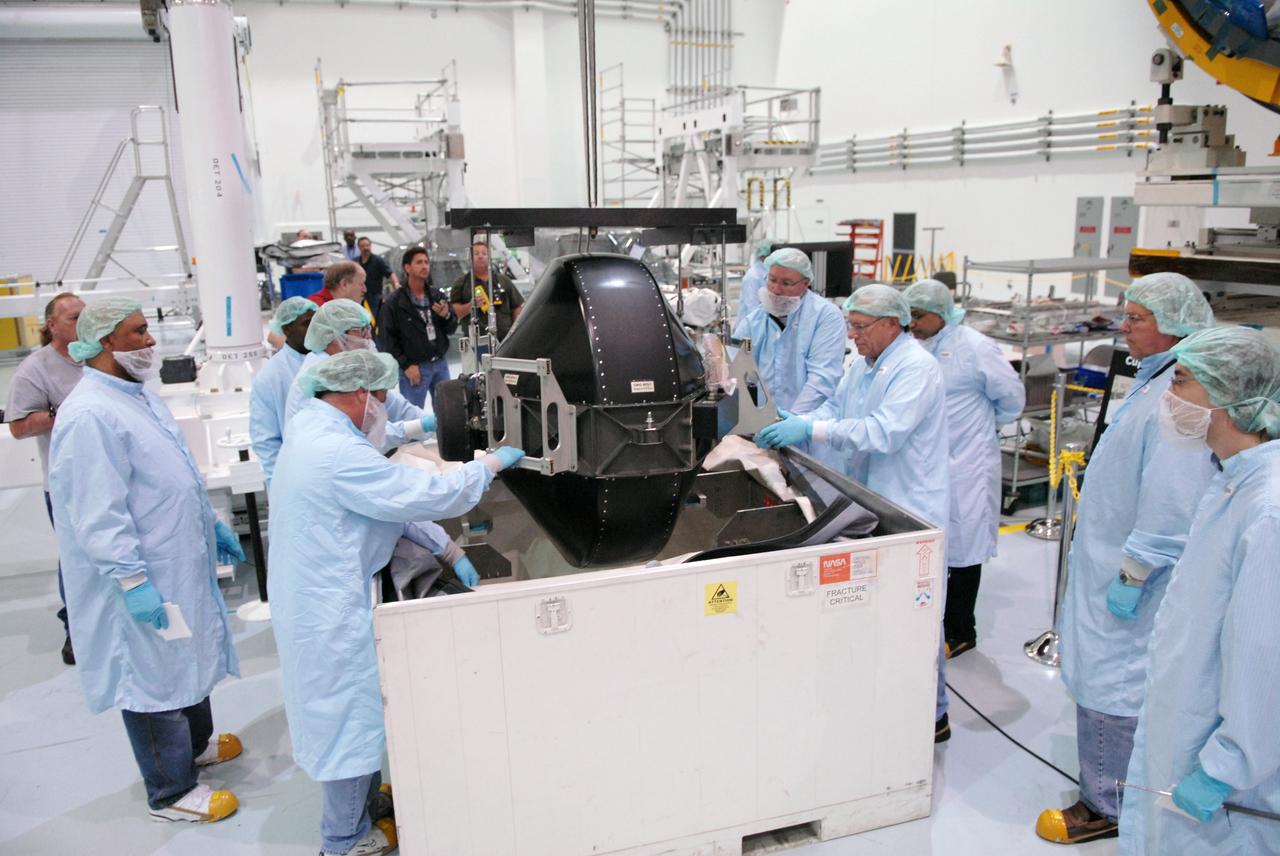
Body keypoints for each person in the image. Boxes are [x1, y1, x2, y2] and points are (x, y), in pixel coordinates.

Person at [269, 348, 524, 856]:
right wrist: (488, 465)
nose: (386, 406)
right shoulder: (335, 453)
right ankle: (342, 840)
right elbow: (421, 493)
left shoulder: (314, 427)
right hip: (329, 605)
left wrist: (445, 546)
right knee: (347, 716)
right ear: (360, 394)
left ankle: (361, 807)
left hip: (320, 588)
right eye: (383, 395)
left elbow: (382, 494)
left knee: (353, 711)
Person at [48, 297, 245, 823]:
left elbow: (173, 471)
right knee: (151, 676)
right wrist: (132, 579)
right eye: (138, 333)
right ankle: (170, 790)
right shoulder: (90, 414)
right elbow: (97, 512)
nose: (151, 341)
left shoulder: (136, 396)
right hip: (141, 570)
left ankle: (196, 747)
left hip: (176, 556)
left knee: (185, 656)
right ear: (105, 341)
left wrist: (210, 522)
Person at [1039, 272, 1217, 845]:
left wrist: (1135, 570)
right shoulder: (1157, 377)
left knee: (1114, 679)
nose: (1125, 328)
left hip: (1133, 569)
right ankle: (1110, 787)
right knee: (1105, 671)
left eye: (1136, 319)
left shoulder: (1180, 396)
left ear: (1174, 327)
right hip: (1110, 553)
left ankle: (1109, 803)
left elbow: (1171, 500)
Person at [754, 283, 951, 742]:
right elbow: (834, 406)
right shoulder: (863, 365)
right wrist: (794, 416)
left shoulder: (915, 368)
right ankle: (884, 701)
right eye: (850, 326)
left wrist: (813, 428)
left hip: (911, 504)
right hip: (873, 499)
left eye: (860, 327)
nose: (853, 335)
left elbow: (883, 433)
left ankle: (932, 715)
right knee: (885, 613)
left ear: (890, 324)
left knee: (918, 616)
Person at [1118, 326, 1280, 855]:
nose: (1168, 397)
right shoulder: (1233, 478)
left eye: (1181, 381)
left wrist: (1226, 765)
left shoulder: (1268, 510)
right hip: (1192, 721)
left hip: (1229, 771)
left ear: (1230, 397)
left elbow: (1264, 656)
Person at [903, 279, 1025, 658]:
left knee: (966, 545)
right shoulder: (916, 346)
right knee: (931, 542)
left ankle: (961, 630)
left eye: (918, 316)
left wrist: (981, 427)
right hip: (929, 460)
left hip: (969, 461)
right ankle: (928, 621)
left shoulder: (974, 347)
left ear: (940, 315)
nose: (912, 323)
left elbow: (1011, 398)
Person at [5, 292, 85, 665]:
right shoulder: (36, 369)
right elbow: (19, 427)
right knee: (75, 556)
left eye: (85, 315)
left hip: (114, 475)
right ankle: (76, 628)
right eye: (72, 318)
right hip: (68, 482)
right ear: (52, 325)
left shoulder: (99, 355)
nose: (81, 322)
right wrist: (64, 413)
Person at [282, 299, 433, 454]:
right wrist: (416, 427)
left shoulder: (348, 366)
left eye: (368, 328)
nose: (369, 337)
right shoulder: (323, 376)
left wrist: (434, 423)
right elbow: (364, 436)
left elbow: (393, 405)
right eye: (361, 330)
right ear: (336, 335)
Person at [731, 247, 846, 414]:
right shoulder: (754, 320)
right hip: (763, 421)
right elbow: (736, 368)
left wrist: (791, 421)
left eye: (786, 283)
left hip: (808, 424)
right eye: (772, 280)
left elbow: (822, 379)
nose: (776, 290)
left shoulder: (825, 316)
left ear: (805, 284)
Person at [249, 297, 317, 486]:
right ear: (286, 329)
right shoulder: (271, 377)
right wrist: (280, 485)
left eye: (315, 322)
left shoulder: (325, 361)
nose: (313, 329)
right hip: (296, 475)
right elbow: (266, 441)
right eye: (306, 323)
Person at [379, 246, 456, 409]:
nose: (424, 266)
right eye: (419, 262)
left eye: (427, 262)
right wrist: (406, 365)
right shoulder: (394, 303)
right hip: (415, 368)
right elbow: (388, 340)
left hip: (440, 364)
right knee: (413, 418)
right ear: (407, 267)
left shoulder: (437, 296)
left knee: (447, 413)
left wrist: (447, 316)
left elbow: (451, 328)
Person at [450, 238, 524, 346]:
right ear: (470, 258)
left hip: (505, 341)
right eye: (476, 253)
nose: (480, 256)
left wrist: (514, 331)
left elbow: (517, 306)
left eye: (484, 253)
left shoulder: (504, 281)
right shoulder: (461, 283)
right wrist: (471, 305)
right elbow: (454, 312)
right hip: (475, 342)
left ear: (489, 257)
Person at [356, 236, 398, 323]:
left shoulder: (378, 261)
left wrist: (397, 287)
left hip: (375, 298)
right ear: (359, 247)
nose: (366, 248)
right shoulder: (356, 263)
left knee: (374, 321)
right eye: (363, 246)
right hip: (359, 298)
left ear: (370, 246)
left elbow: (390, 274)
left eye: (367, 245)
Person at [735, 238, 773, 324]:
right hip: (750, 327)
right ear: (763, 256)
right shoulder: (753, 276)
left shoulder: (768, 272)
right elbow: (752, 308)